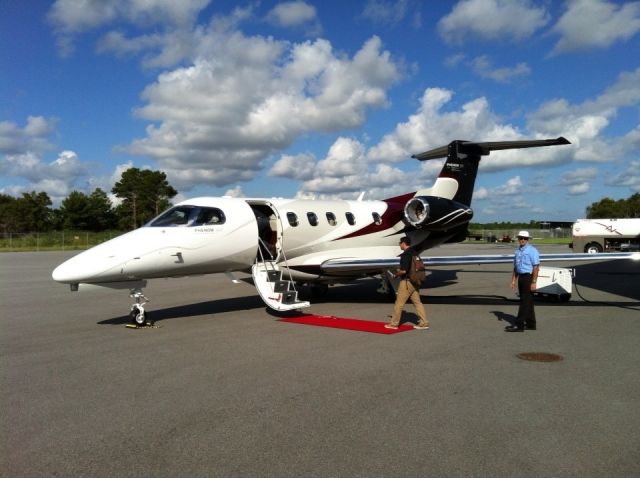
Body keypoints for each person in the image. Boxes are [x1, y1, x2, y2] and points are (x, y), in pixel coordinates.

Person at [385, 236, 430, 330]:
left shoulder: (405, 255)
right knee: (417, 303)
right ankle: (424, 322)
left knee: (399, 304)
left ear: (403, 243)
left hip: (407, 282)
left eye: (400, 243)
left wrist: (396, 274)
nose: (399, 245)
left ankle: (394, 324)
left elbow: (404, 271)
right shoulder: (415, 253)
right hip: (415, 281)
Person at [505, 230, 540, 332]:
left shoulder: (532, 250)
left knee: (524, 302)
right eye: (521, 238)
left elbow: (536, 267)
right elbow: (516, 267)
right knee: (528, 301)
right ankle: (531, 324)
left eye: (525, 238)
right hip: (521, 277)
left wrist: (534, 282)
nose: (523, 240)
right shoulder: (517, 252)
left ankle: (519, 325)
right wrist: (513, 281)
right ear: (518, 239)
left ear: (528, 239)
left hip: (528, 277)